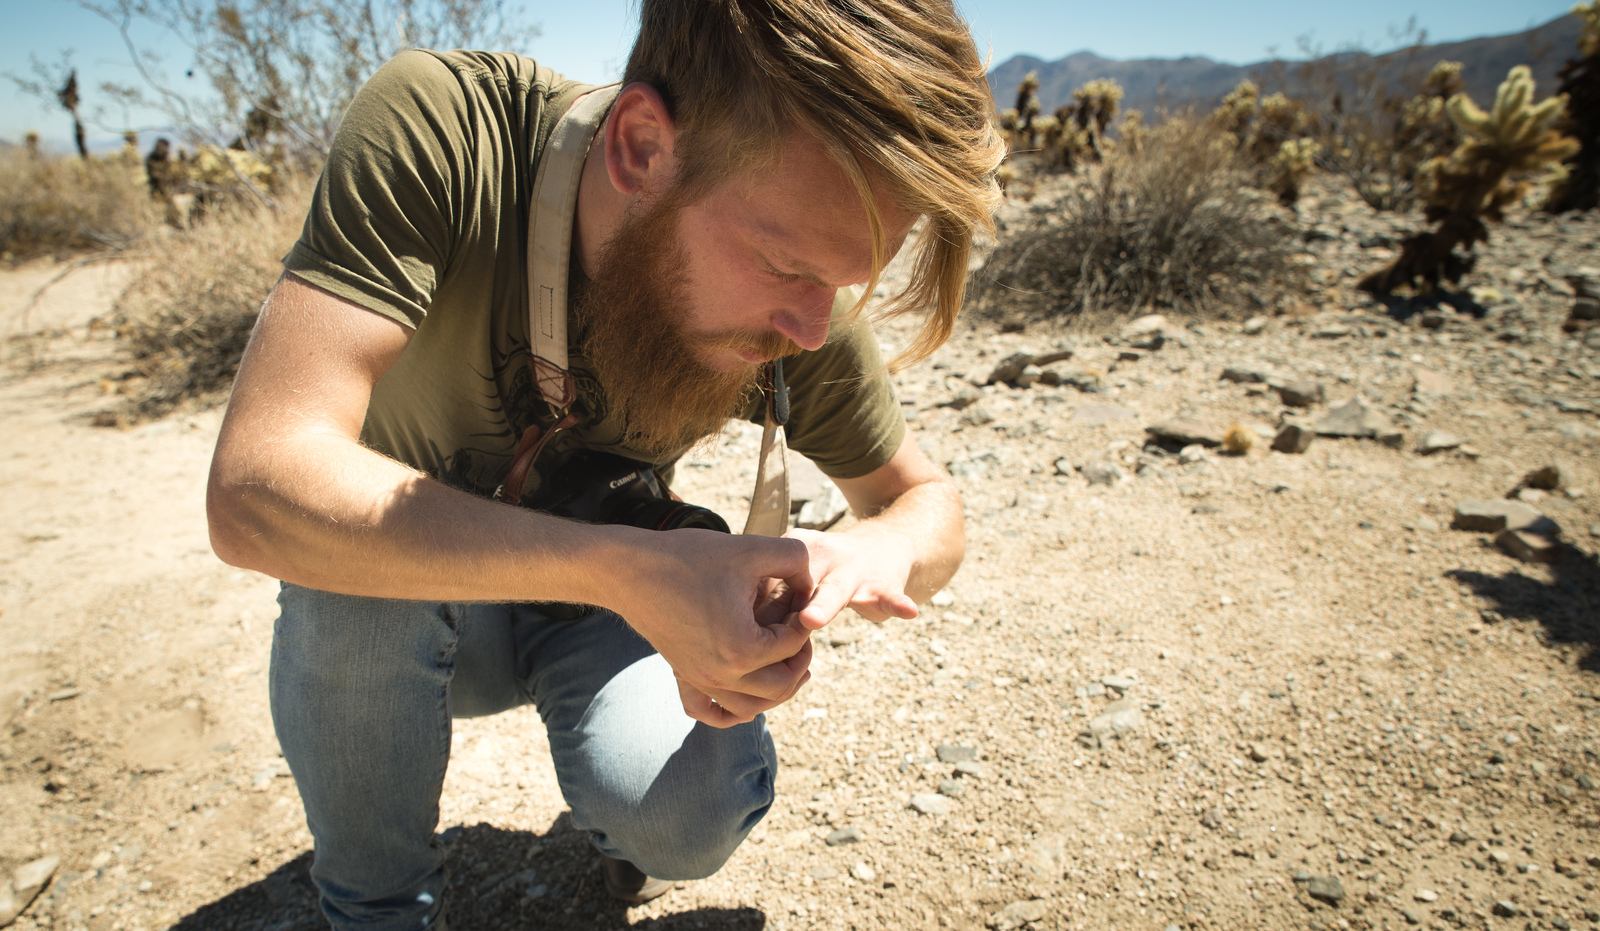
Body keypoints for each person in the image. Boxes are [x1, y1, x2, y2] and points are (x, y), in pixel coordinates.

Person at [205, 1, 1002, 926]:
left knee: (690, 810)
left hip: (602, 618)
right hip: (409, 619)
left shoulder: (799, 306)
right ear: (640, 147)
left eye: (842, 281)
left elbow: (927, 502)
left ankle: (627, 832)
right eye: (787, 268)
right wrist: (629, 568)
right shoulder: (449, 132)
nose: (812, 327)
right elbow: (257, 485)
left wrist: (870, 553)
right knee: (347, 559)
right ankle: (376, 908)